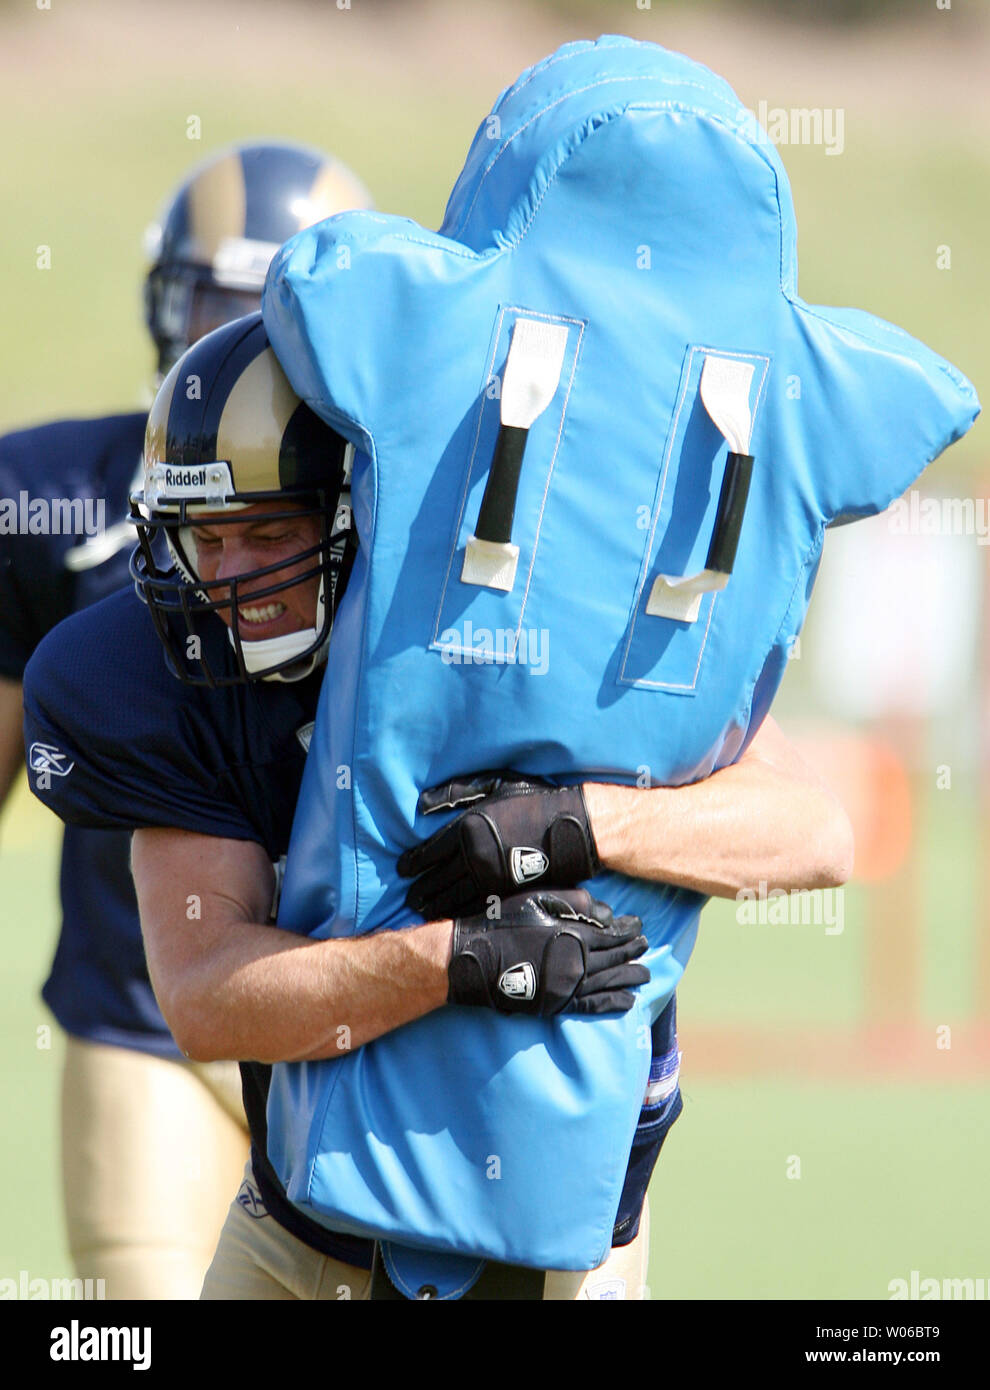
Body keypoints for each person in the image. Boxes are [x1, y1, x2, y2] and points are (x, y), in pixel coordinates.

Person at [22, 314, 853, 1300]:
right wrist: (457, 959)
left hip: (557, 1234)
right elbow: (207, 994)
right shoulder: (163, 678)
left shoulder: (529, 627)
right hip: (296, 1225)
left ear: (367, 516)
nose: (231, 581)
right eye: (207, 537)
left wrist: (575, 821)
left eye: (269, 532)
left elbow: (815, 833)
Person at [0, 142, 373, 1299]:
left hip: (376, 1022)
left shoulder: (426, 533)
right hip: (148, 1017)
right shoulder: (54, 502)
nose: (251, 336)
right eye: (222, 298)